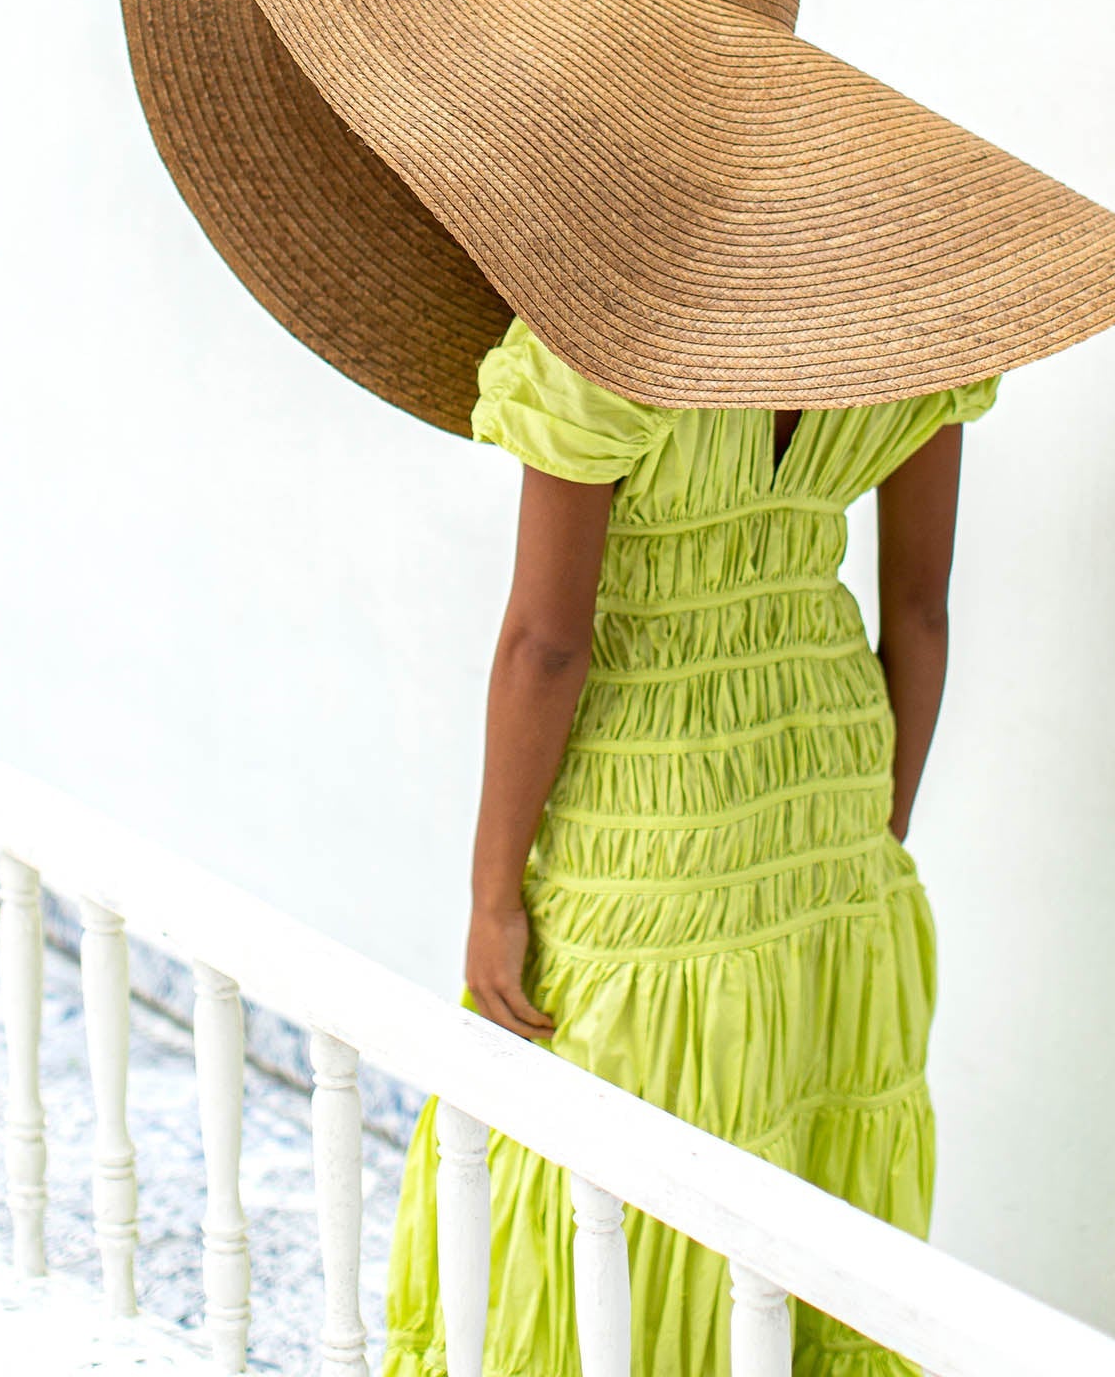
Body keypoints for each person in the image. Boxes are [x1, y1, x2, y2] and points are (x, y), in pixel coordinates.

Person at [382, 314, 1001, 1377]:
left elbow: (547, 645)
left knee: (589, 1158)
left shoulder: (604, 348)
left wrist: (493, 897)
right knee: (799, 1127)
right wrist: (866, 829)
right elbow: (921, 614)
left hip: (654, 809)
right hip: (828, 778)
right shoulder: (912, 334)